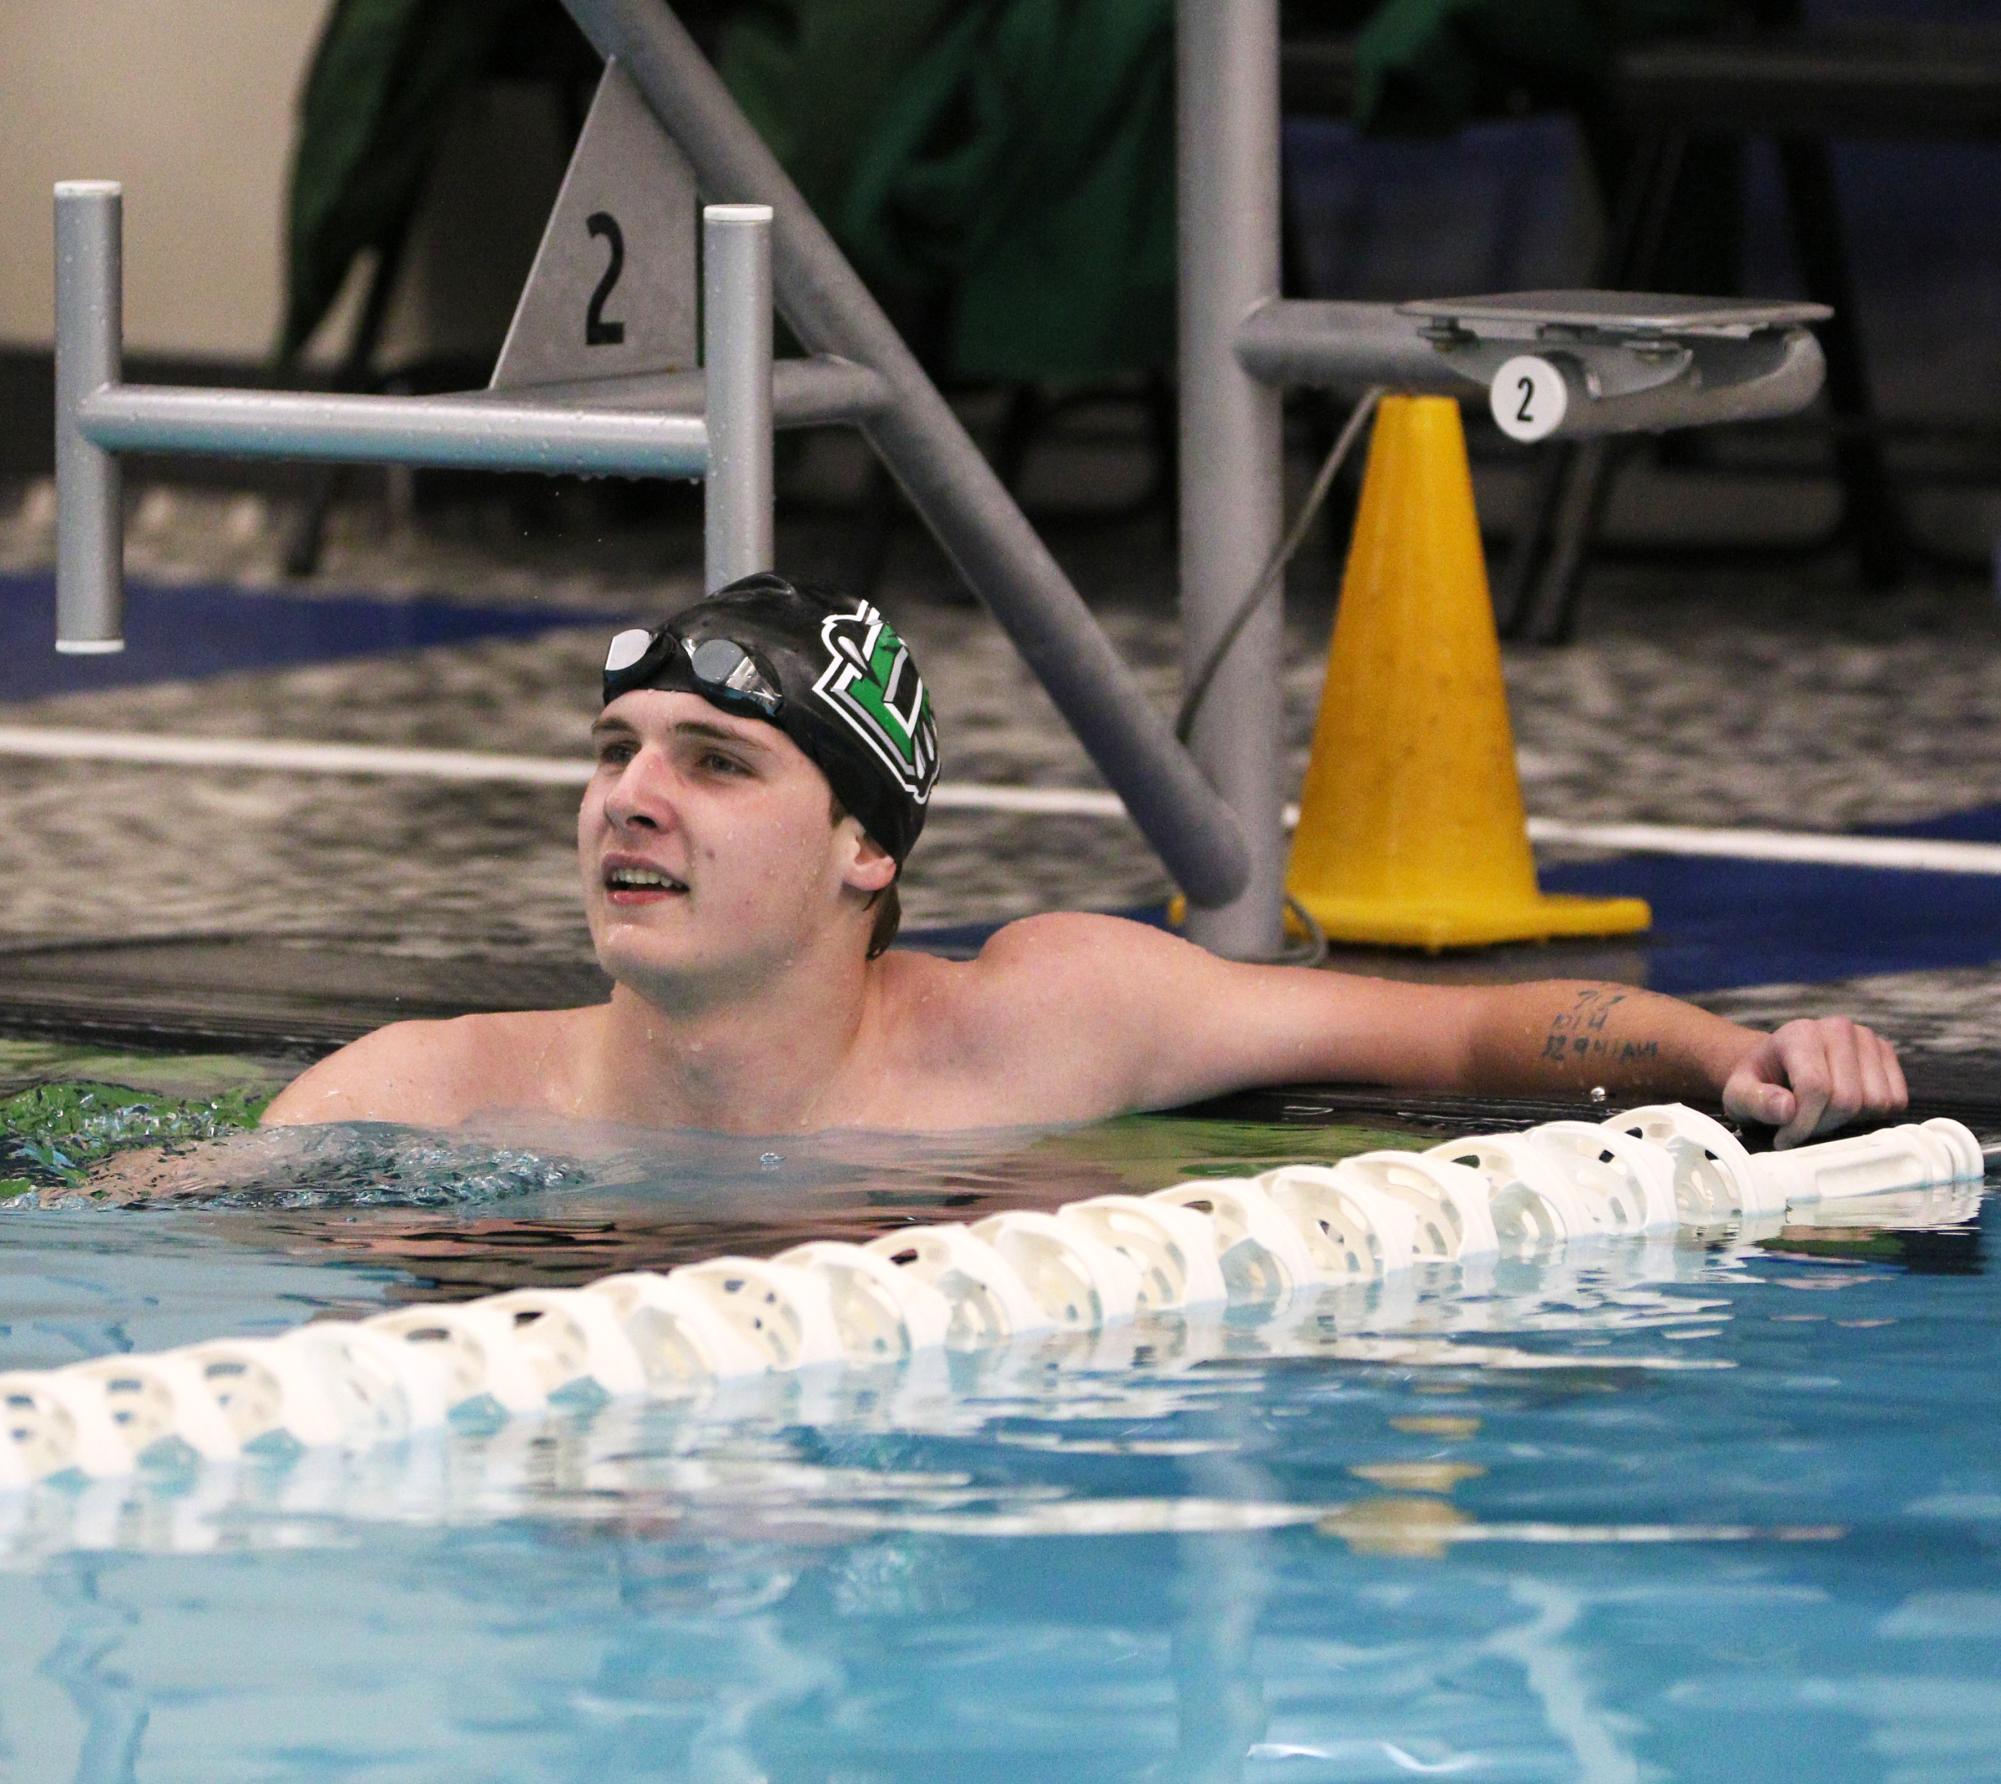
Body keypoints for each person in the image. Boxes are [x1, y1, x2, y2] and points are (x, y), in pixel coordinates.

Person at [261, 573, 1908, 1146]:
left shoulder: (1047, 1022)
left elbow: (1460, 1031)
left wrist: (1726, 1056)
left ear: (861, 849)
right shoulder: (413, 1098)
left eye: (712, 763)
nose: (630, 796)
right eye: (612, 752)